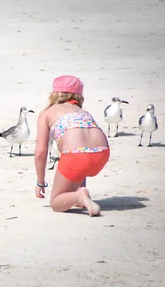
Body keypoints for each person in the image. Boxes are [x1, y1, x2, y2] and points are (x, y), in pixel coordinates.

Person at [33, 75, 110, 216]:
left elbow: (41, 152)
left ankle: (79, 196)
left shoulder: (47, 113)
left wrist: (40, 182)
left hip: (77, 156)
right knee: (80, 153)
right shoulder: (83, 112)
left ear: (54, 93)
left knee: (56, 202)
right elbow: (86, 145)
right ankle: (82, 196)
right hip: (102, 154)